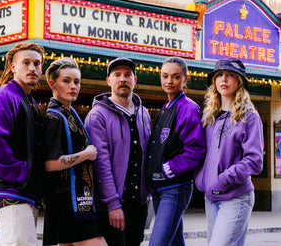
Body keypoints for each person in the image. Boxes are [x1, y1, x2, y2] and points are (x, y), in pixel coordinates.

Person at [0, 42, 45, 246]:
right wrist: (24, 173)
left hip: (23, 190)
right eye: (26, 62)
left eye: (37, 63)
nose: (32, 68)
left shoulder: (28, 100)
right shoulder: (3, 96)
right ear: (13, 66)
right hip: (10, 188)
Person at [195, 57, 264, 246]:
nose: (223, 79)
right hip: (211, 198)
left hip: (236, 198)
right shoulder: (209, 115)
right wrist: (202, 179)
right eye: (219, 75)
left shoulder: (249, 116)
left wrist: (223, 178)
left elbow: (255, 161)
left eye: (230, 75)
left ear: (239, 81)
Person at [85, 57, 151, 246]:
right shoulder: (97, 115)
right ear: (109, 81)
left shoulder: (143, 113)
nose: (123, 79)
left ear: (134, 80)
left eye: (128, 75)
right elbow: (101, 164)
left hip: (139, 204)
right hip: (113, 205)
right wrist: (113, 204)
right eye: (117, 75)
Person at [42, 57, 107, 246]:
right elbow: (49, 163)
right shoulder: (54, 118)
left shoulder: (69, 113)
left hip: (75, 200)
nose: (73, 86)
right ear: (52, 84)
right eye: (67, 81)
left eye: (76, 82)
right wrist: (85, 155)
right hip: (68, 202)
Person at [145, 56, 206, 246]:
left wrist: (167, 169)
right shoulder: (166, 107)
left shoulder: (189, 108)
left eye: (175, 76)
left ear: (185, 79)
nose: (169, 81)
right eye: (165, 76)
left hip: (175, 188)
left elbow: (196, 150)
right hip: (159, 189)